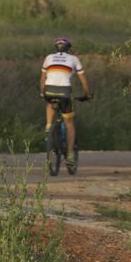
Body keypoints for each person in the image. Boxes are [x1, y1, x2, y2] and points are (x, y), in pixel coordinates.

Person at [40, 36, 92, 166]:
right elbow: (83, 80)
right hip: (65, 92)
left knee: (50, 101)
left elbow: (42, 79)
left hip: (49, 90)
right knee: (69, 123)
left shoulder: (48, 58)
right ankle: (69, 155)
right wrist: (88, 94)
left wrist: (42, 93)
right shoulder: (74, 59)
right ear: (68, 48)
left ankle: (48, 127)